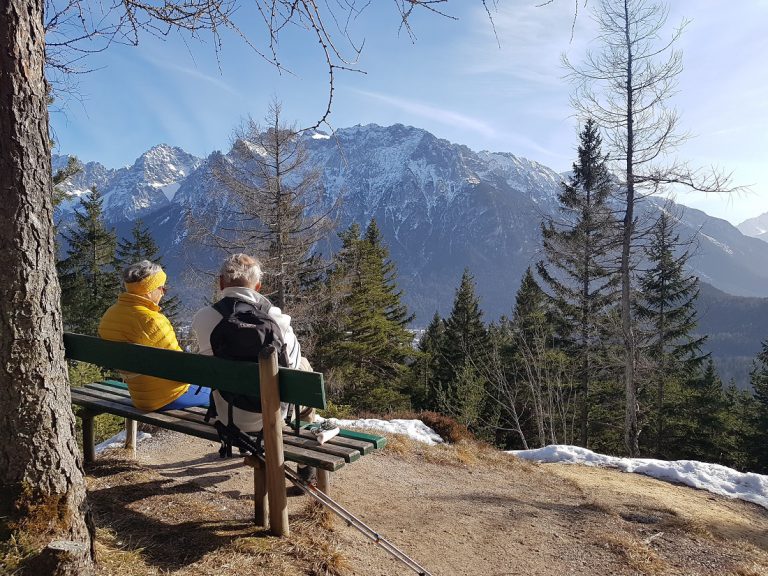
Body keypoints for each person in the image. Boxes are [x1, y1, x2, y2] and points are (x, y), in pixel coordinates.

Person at [190, 253, 316, 483]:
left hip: (228, 413)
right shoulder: (277, 320)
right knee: (304, 369)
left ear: (220, 283)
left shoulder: (203, 318)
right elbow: (294, 366)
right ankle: (306, 464)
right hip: (271, 416)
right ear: (258, 286)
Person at [99, 260, 211, 411]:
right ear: (149, 290)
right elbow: (182, 367)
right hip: (168, 397)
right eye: (161, 288)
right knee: (219, 389)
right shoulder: (152, 321)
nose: (163, 292)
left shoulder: (110, 314)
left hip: (139, 395)